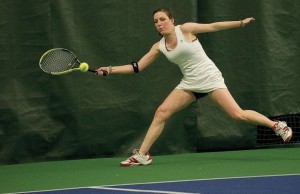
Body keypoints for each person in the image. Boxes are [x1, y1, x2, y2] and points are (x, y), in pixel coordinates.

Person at [97, 7, 293, 167]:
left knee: (237, 115)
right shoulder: (159, 46)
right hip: (190, 83)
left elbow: (214, 26)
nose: (160, 23)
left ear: (172, 20)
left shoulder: (186, 29)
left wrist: (240, 23)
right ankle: (142, 155)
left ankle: (277, 125)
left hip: (210, 78)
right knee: (161, 112)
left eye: (163, 19)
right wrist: (110, 69)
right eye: (156, 21)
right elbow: (137, 67)